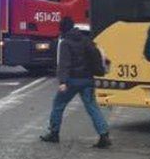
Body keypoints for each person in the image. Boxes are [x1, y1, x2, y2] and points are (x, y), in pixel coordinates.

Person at [40, 17, 111, 148]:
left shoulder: (65, 43)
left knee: (58, 104)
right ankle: (104, 135)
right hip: (87, 80)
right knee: (92, 108)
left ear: (62, 29)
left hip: (72, 81)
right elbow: (95, 56)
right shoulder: (85, 40)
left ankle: (54, 133)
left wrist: (63, 81)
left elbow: (64, 63)